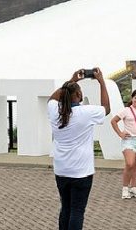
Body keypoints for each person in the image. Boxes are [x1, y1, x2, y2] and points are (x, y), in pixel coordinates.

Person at [48, 68, 109, 230]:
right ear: (79, 96)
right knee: (77, 210)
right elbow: (106, 109)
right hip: (81, 170)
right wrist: (101, 81)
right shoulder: (86, 112)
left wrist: (72, 81)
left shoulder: (55, 111)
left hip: (61, 169)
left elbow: (52, 98)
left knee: (66, 208)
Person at [110, 89, 136, 199]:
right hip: (129, 140)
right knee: (130, 164)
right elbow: (113, 121)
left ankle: (134, 187)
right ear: (132, 98)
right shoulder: (126, 110)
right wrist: (120, 133)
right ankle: (125, 188)